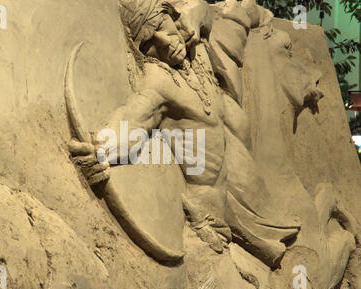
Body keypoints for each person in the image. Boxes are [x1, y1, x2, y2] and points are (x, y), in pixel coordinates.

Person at [69, 0, 303, 267]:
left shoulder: (197, 52)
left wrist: (192, 17)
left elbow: (207, 12)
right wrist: (100, 150)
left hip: (238, 200)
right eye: (150, 41)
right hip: (207, 220)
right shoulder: (159, 82)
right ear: (140, 50)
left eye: (164, 26)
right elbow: (133, 119)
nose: (166, 41)